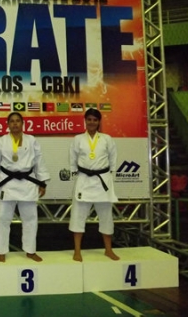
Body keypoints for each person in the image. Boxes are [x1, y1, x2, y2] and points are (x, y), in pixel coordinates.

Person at [0, 112, 50, 263]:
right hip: (7, 183)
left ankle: (30, 250)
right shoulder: (1, 141)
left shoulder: (31, 140)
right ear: (8, 124)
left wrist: (42, 182)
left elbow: (39, 161)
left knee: (30, 218)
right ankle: (1, 251)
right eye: (12, 121)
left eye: (18, 121)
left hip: (27, 183)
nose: (15, 124)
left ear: (22, 123)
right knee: (3, 218)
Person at [69, 108, 119, 261]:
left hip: (102, 180)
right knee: (78, 216)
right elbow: (72, 159)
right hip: (84, 179)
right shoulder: (78, 139)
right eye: (89, 119)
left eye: (95, 120)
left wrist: (110, 174)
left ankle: (108, 249)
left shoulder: (106, 139)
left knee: (106, 216)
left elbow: (113, 158)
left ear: (99, 122)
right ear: (85, 121)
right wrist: (74, 173)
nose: (92, 122)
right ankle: (77, 251)